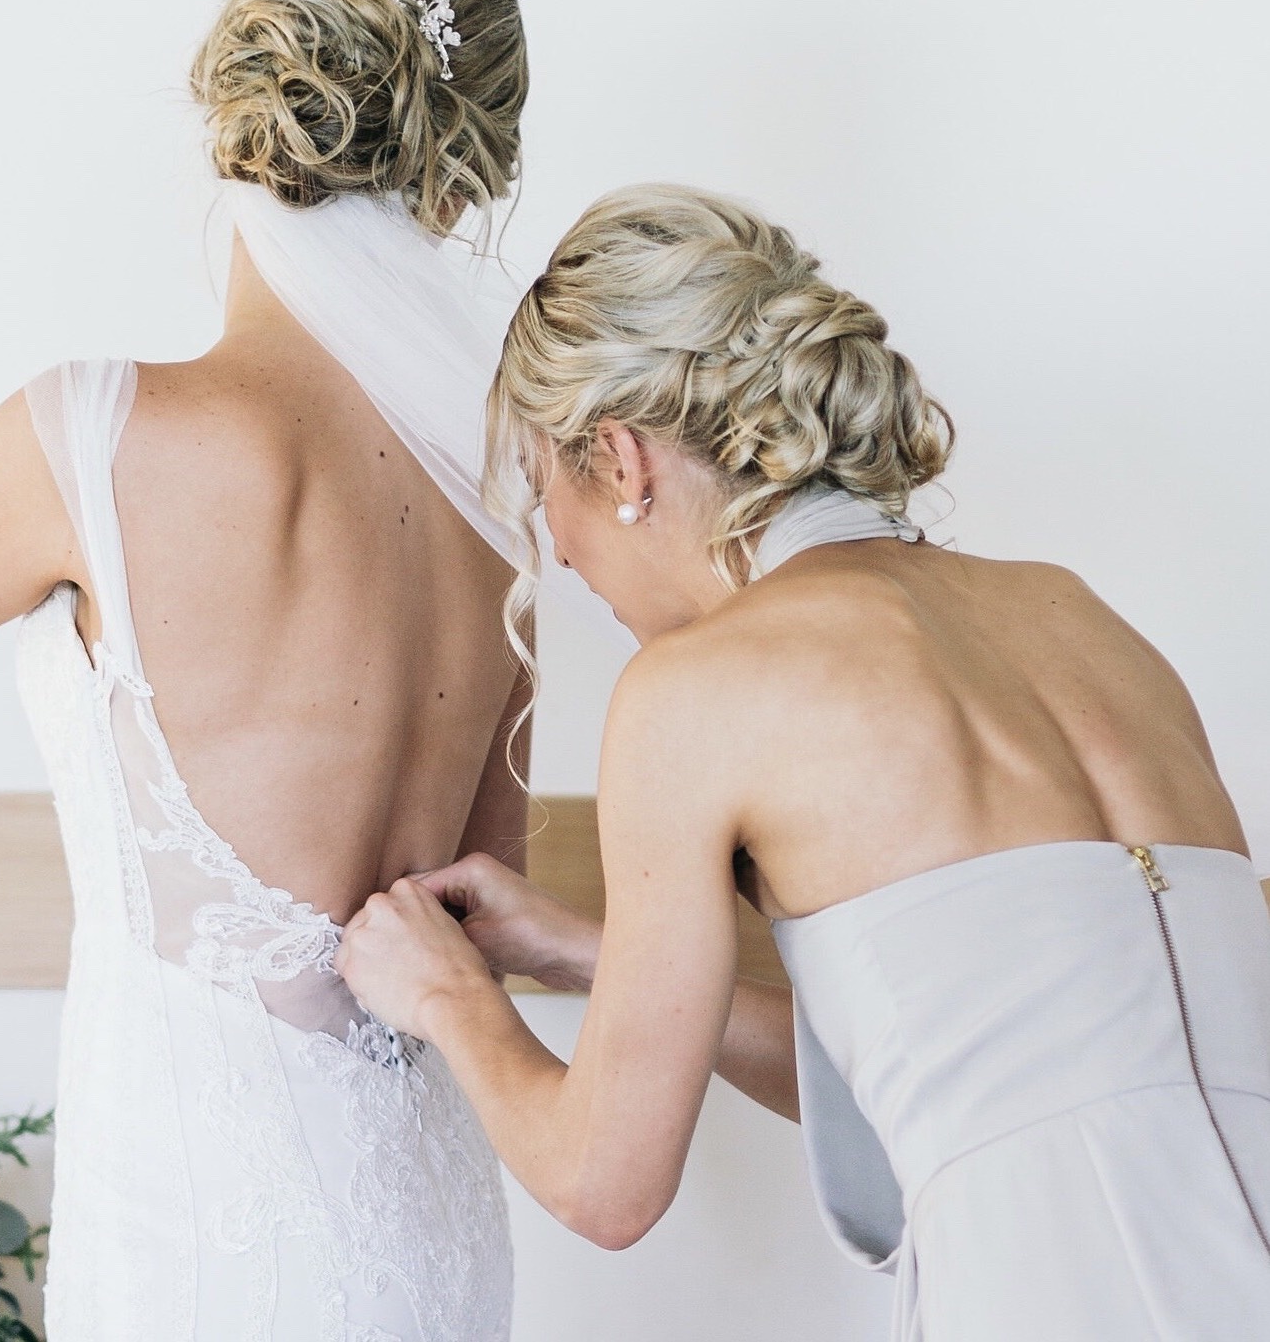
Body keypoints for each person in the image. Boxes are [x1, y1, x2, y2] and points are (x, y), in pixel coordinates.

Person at [336, 184, 1270, 1339]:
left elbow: (602, 1183)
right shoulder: (1082, 621)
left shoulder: (695, 692)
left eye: (546, 491)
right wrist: (582, 953)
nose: (560, 555)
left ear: (620, 461)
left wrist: (447, 997)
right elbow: (968, 1075)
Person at [0, 0, 533, 1342]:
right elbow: (492, 883)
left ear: (236, 110)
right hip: (429, 1218)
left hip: (194, 1226)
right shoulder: (504, 502)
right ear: (462, 170)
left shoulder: (95, 432)